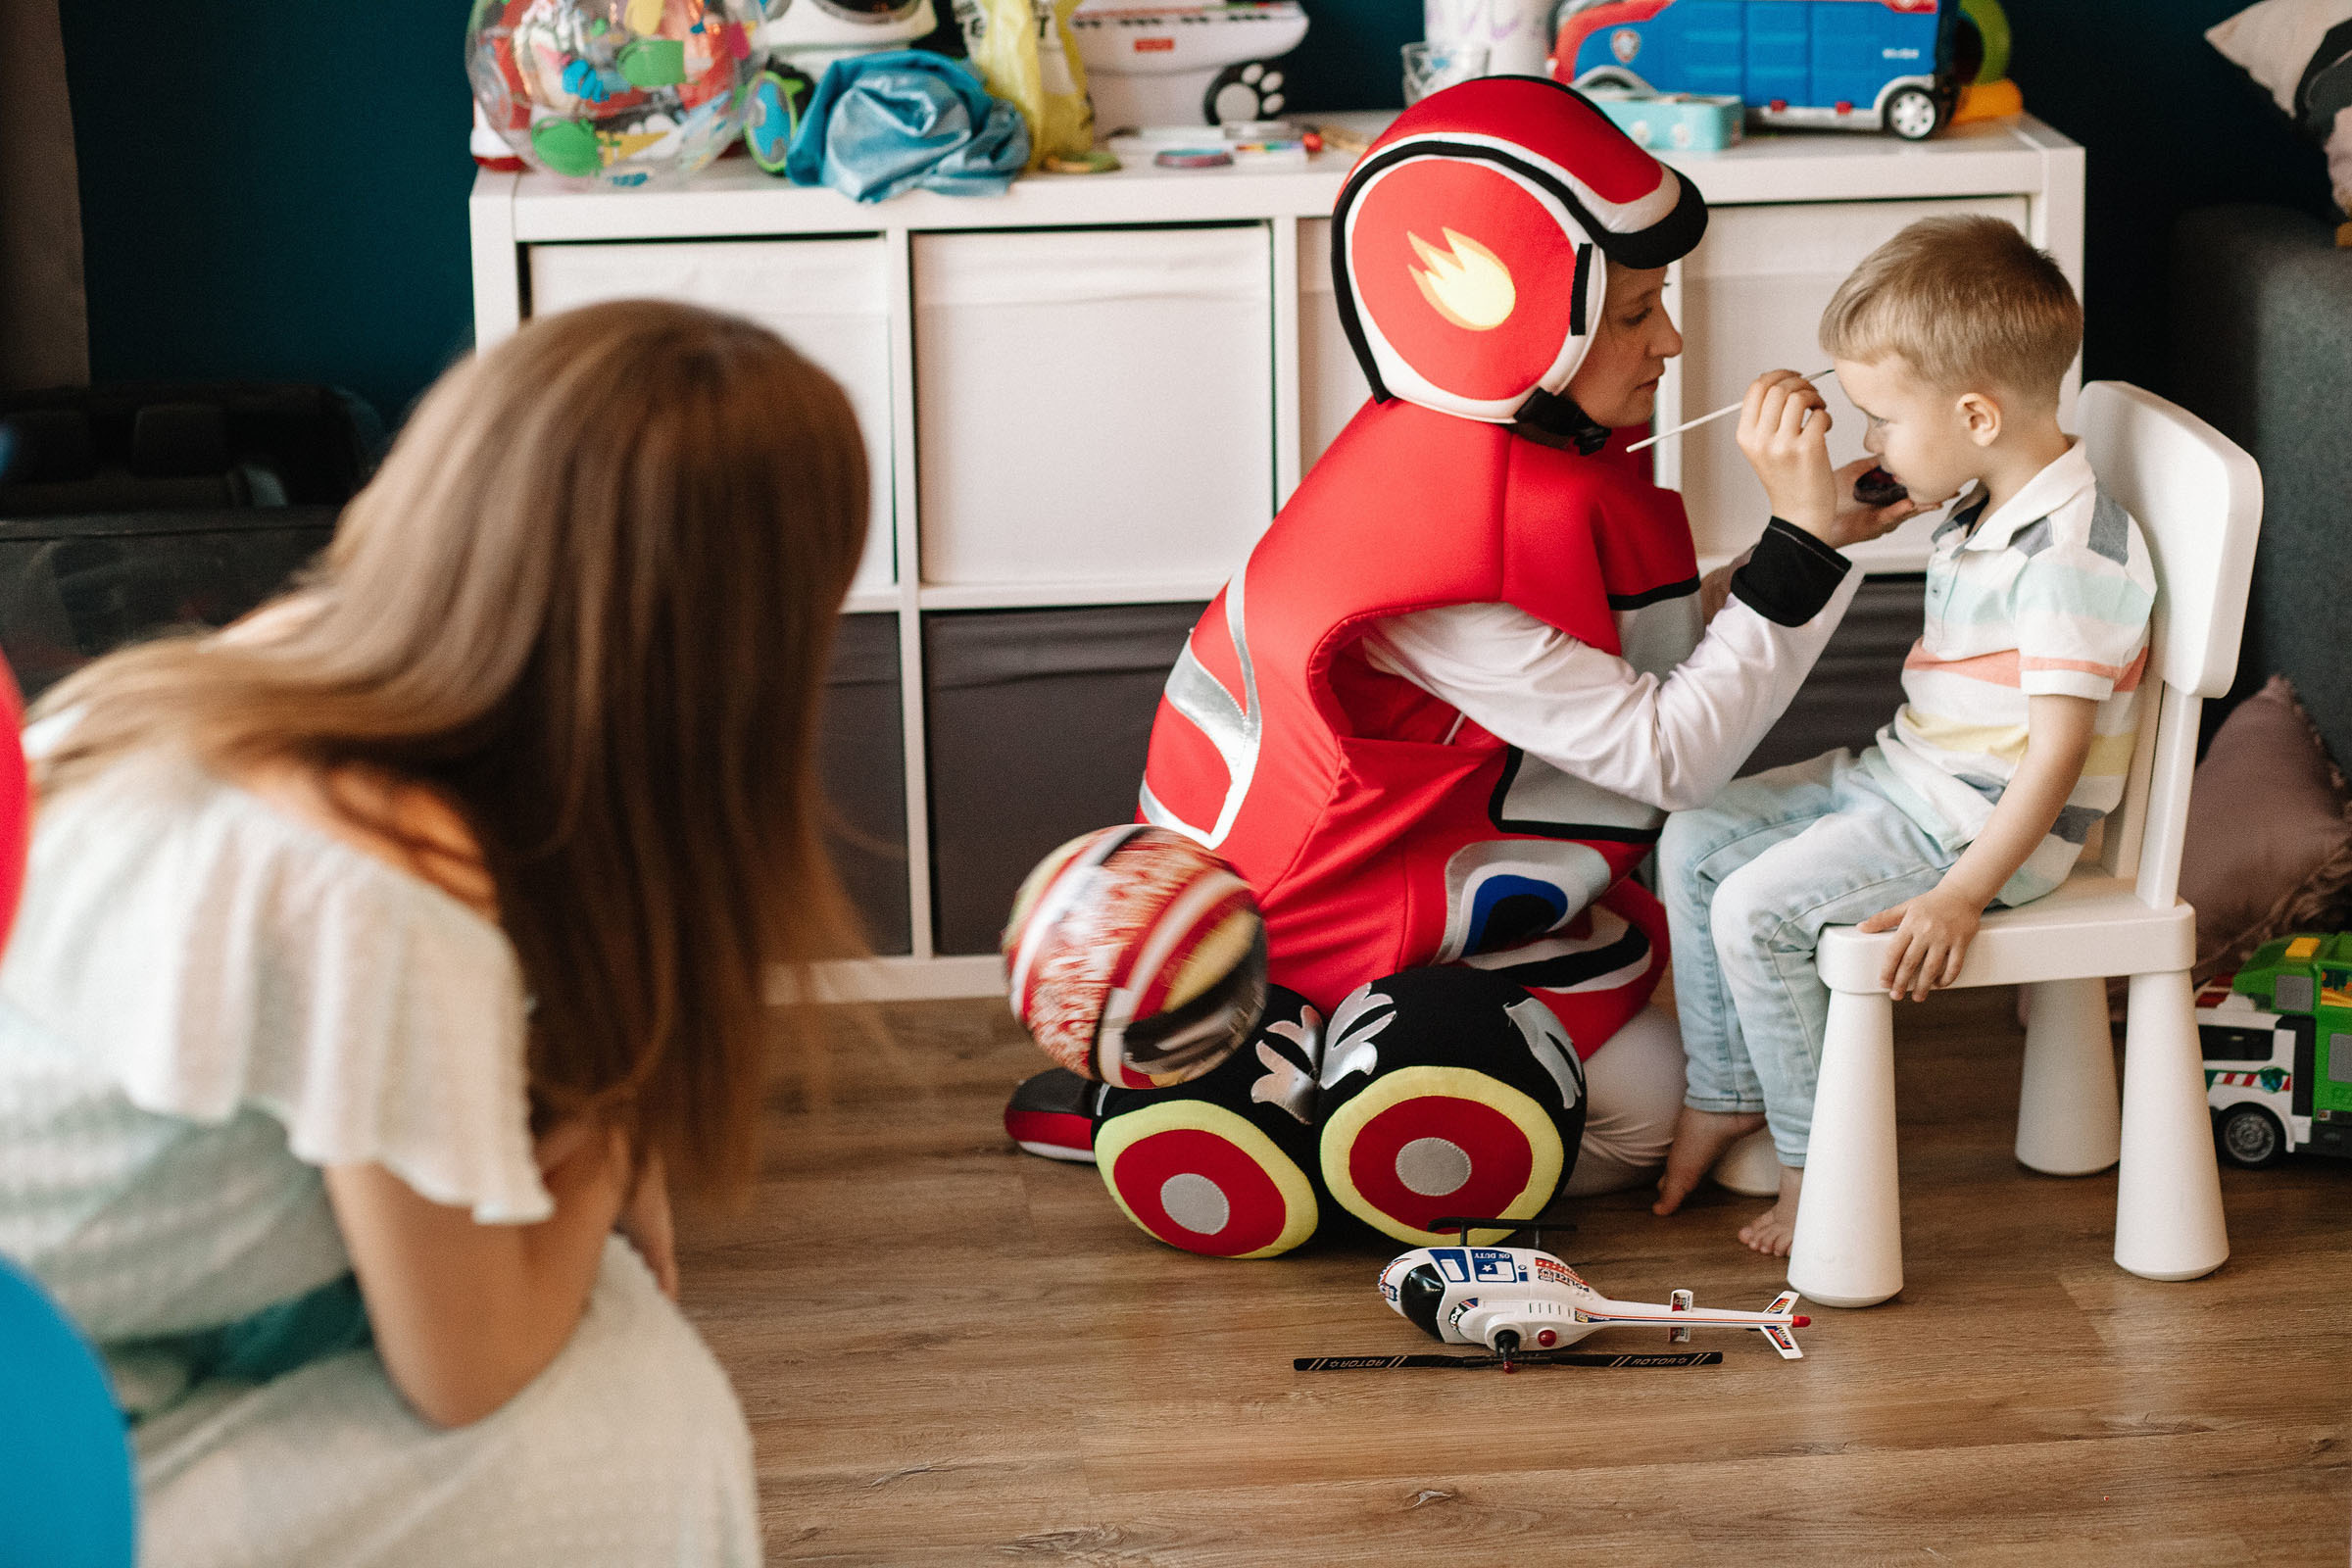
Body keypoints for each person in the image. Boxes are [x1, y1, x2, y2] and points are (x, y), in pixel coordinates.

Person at [0, 299, 869, 1565]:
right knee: (635, 1416)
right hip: (50, 1418)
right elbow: (469, 1371)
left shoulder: (294, 668)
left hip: (79, 1347)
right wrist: (625, 1111)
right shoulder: (379, 885)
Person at [1010, 76, 1916, 1258]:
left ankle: (1318, 1091)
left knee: (1678, 1052)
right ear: (1497, 314)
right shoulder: (1437, 564)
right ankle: (1284, 1091)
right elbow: (1669, 748)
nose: (1673, 340)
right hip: (1337, 929)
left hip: (1413, 884)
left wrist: (1802, 548)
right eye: (1637, 311)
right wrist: (1789, 559)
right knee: (1652, 1098)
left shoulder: (1467, 463)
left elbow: (1611, 657)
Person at [1652, 216, 2157, 1256]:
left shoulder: (2072, 557)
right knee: (1695, 830)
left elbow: (2056, 759)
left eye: (1879, 418)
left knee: (1756, 908)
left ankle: (1811, 1163)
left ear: (1976, 412)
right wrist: (1852, 502)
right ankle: (1728, 1088)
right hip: (1911, 774)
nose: (1868, 443)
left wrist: (1962, 893)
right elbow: (1911, 478)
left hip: (1970, 828)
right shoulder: (1988, 488)